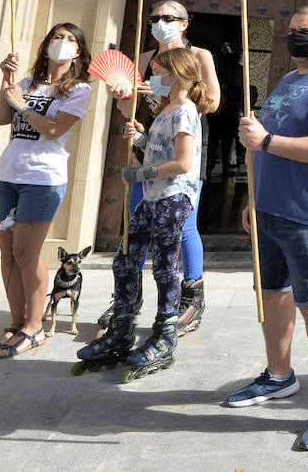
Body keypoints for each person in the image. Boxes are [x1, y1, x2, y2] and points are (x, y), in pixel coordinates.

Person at [223, 5, 308, 452]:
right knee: (272, 293)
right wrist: (254, 196)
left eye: (303, 32)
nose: (294, 39)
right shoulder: (287, 80)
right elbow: (266, 142)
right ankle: (278, 375)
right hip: (270, 209)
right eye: (290, 33)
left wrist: (265, 141)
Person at [77, 47, 210, 373]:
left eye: (156, 72)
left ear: (176, 75)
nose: (150, 79)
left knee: (165, 268)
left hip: (173, 197)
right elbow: (158, 147)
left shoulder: (185, 112)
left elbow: (182, 161)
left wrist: (141, 173)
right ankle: (122, 329)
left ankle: (164, 336)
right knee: (126, 259)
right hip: (153, 198)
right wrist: (139, 139)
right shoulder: (166, 110)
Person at [0, 23, 93, 359]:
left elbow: (54, 128)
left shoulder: (78, 90)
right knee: (8, 253)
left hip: (43, 180)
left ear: (78, 53)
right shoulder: (27, 83)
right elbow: (1, 117)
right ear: (46, 46)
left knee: (28, 254)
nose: (63, 43)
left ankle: (35, 326)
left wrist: (23, 107)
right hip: (9, 175)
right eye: (58, 37)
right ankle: (16, 323)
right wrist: (7, 81)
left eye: (71, 40)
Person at [116, 0, 221, 335]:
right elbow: (128, 111)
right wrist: (121, 94)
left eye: (168, 17)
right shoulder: (144, 59)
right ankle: (127, 300)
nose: (160, 22)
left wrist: (176, 90)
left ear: (184, 23)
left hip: (185, 142)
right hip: (150, 142)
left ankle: (191, 298)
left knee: (183, 224)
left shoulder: (199, 56)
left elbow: (213, 102)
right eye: (155, 17)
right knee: (136, 224)